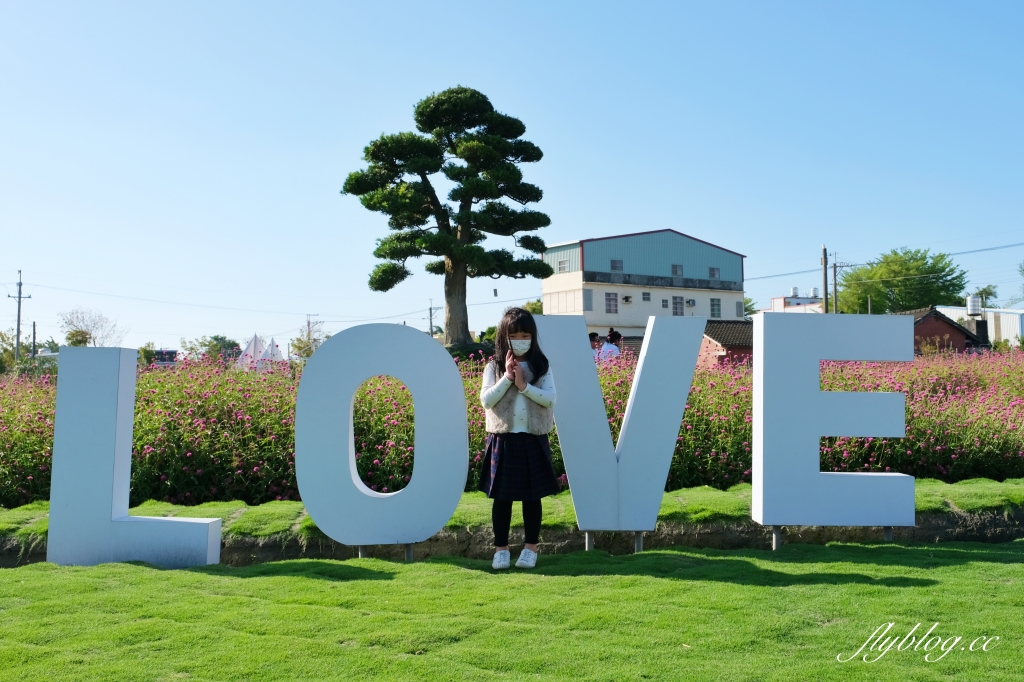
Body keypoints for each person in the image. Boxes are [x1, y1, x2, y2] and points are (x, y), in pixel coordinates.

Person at [479, 307, 558, 570]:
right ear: (505, 336)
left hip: (533, 438)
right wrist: (507, 379)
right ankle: (501, 549)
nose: (521, 339)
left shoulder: (541, 365)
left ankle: (530, 548)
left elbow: (550, 399)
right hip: (503, 439)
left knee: (531, 497)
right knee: (502, 498)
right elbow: (486, 400)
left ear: (533, 336)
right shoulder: (494, 366)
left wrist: (524, 385)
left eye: (526, 334)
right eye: (515, 334)